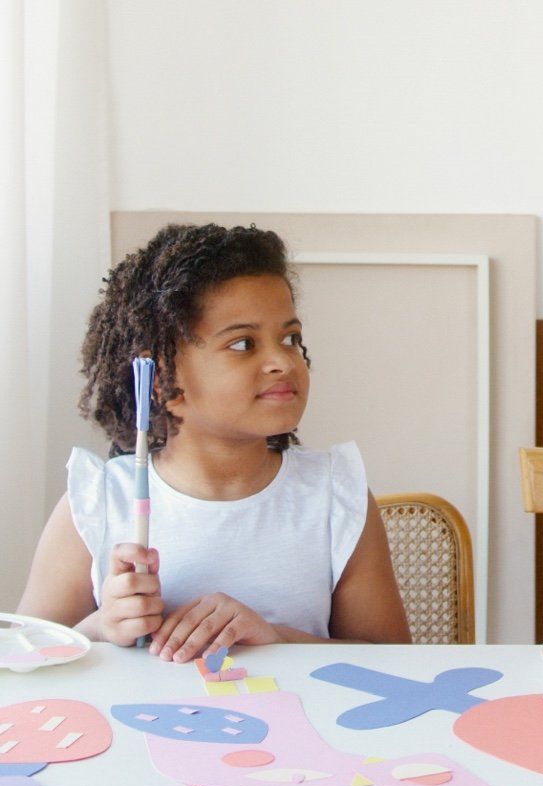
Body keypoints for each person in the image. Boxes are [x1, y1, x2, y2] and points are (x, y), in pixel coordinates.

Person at [18, 223, 411, 659]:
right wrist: (101, 627)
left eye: (290, 339)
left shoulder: (335, 495)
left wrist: (277, 639)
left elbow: (394, 661)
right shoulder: (98, 503)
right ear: (162, 379)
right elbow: (25, 658)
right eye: (243, 344)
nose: (282, 362)